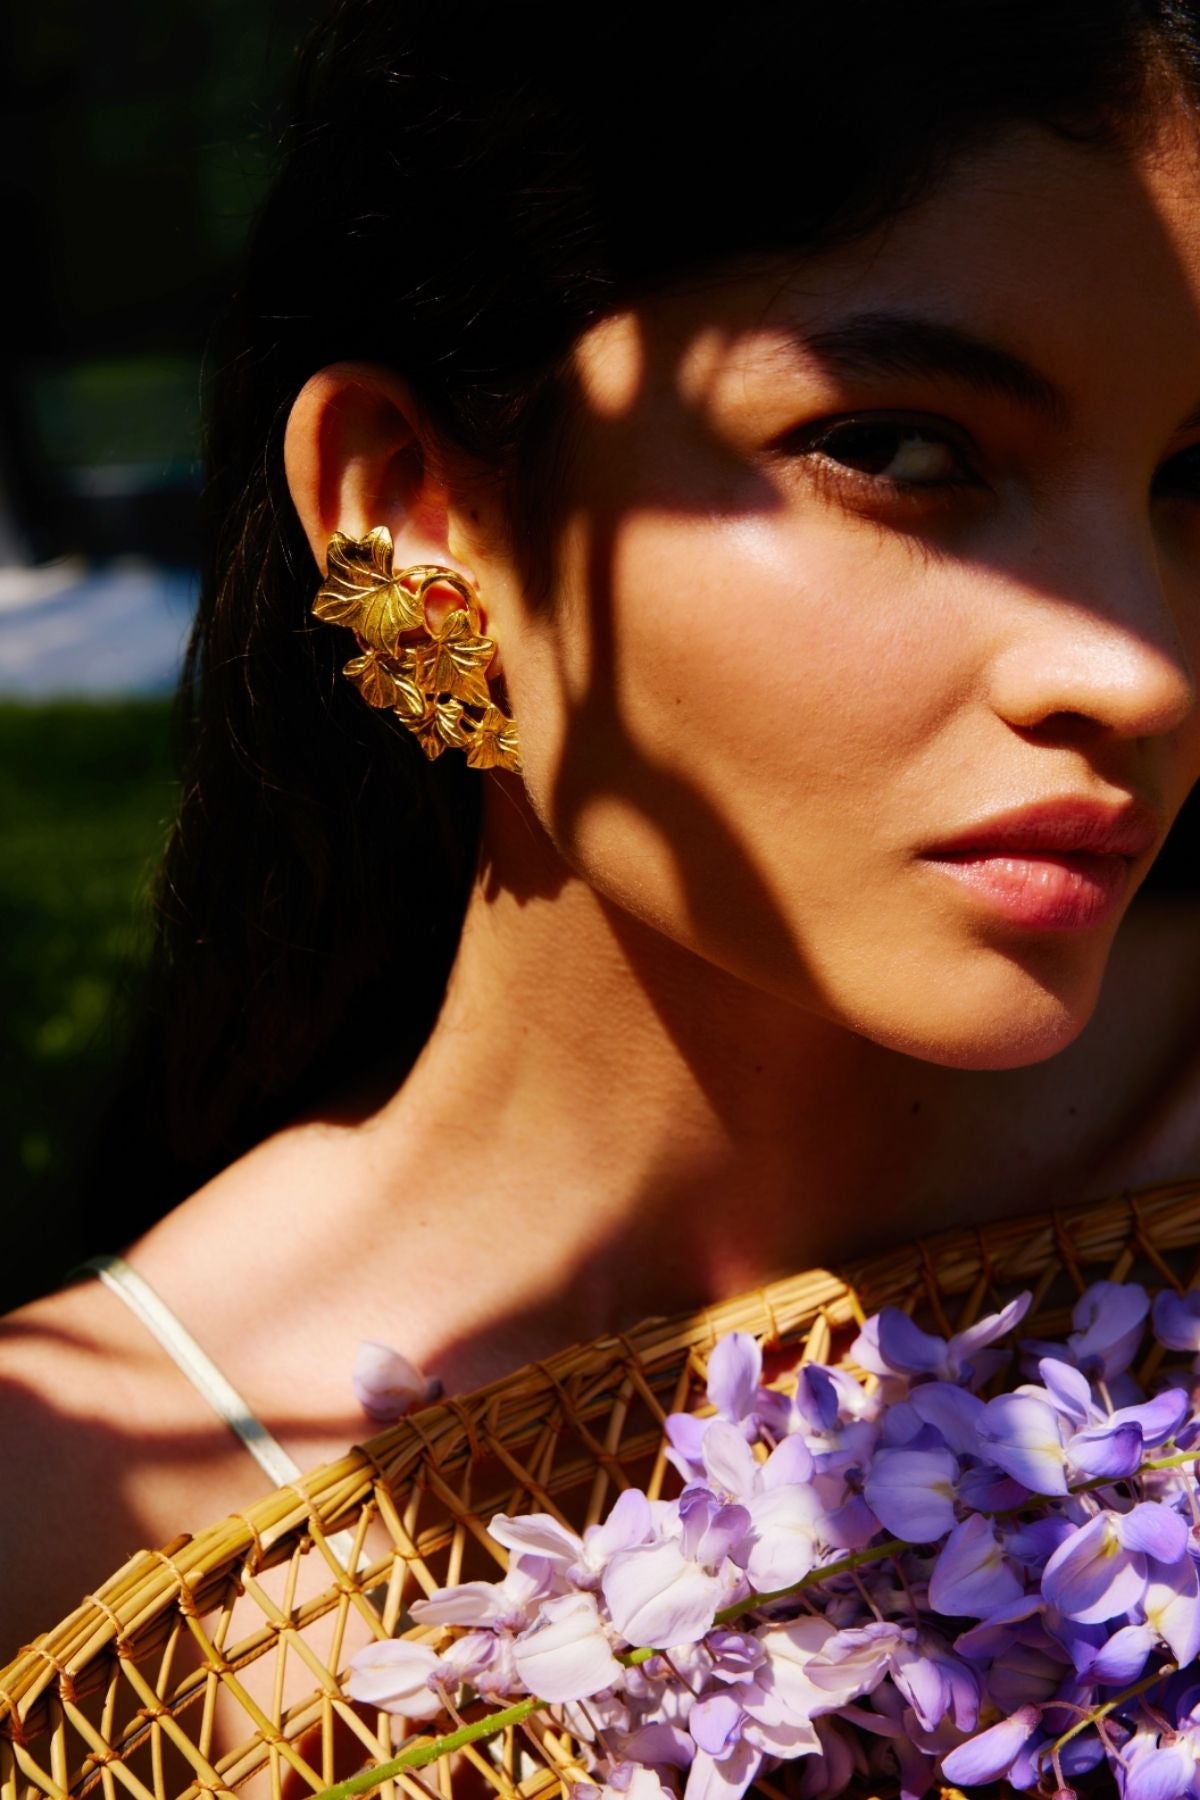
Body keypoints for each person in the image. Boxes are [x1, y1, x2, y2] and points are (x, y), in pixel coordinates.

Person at [4, 0, 1200, 1663]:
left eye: (1195, 484)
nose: (1137, 668)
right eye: (900, 451)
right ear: (415, 512)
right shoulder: (86, 1535)